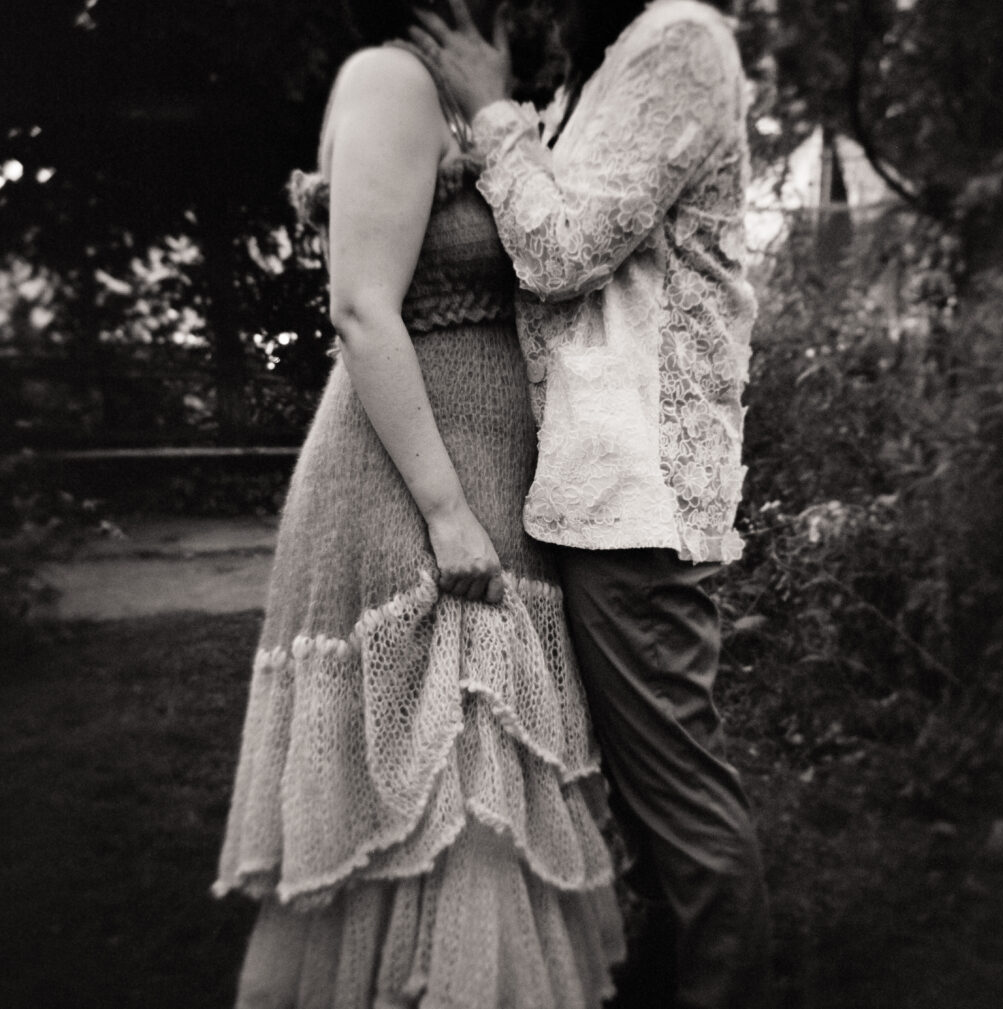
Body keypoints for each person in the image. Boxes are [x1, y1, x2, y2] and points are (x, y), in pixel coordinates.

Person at [212, 2, 625, 1006]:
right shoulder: (392, 82)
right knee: (447, 791)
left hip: (490, 488)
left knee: (481, 794)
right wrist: (445, 512)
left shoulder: (484, 101)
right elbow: (361, 307)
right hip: (411, 489)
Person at [409, 1, 771, 1007]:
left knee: (678, 797)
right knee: (646, 798)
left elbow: (561, 251)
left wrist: (492, 112)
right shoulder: (603, 67)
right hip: (595, 490)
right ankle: (668, 981)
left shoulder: (677, 41)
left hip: (636, 491)